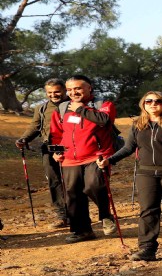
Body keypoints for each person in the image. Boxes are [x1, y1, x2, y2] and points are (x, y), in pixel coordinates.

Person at [97, 91, 162, 261]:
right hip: (146, 172)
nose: (153, 104)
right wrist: (109, 160)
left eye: (158, 101)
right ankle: (147, 248)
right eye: (148, 101)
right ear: (143, 104)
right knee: (148, 210)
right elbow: (128, 148)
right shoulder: (138, 124)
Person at [50, 75, 117, 243]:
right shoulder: (62, 108)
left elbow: (104, 121)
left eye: (78, 88)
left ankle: (106, 215)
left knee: (94, 185)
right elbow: (57, 134)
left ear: (89, 88)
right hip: (69, 159)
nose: (74, 92)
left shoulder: (103, 105)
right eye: (70, 89)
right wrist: (57, 151)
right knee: (73, 195)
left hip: (96, 156)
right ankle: (81, 230)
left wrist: (80, 109)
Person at [15, 78, 69, 229]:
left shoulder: (74, 105)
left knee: (74, 182)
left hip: (73, 148)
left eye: (57, 91)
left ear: (64, 90)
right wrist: (24, 139)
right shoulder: (41, 108)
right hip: (49, 148)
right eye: (50, 92)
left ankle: (80, 214)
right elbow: (35, 126)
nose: (53, 95)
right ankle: (63, 216)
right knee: (54, 181)